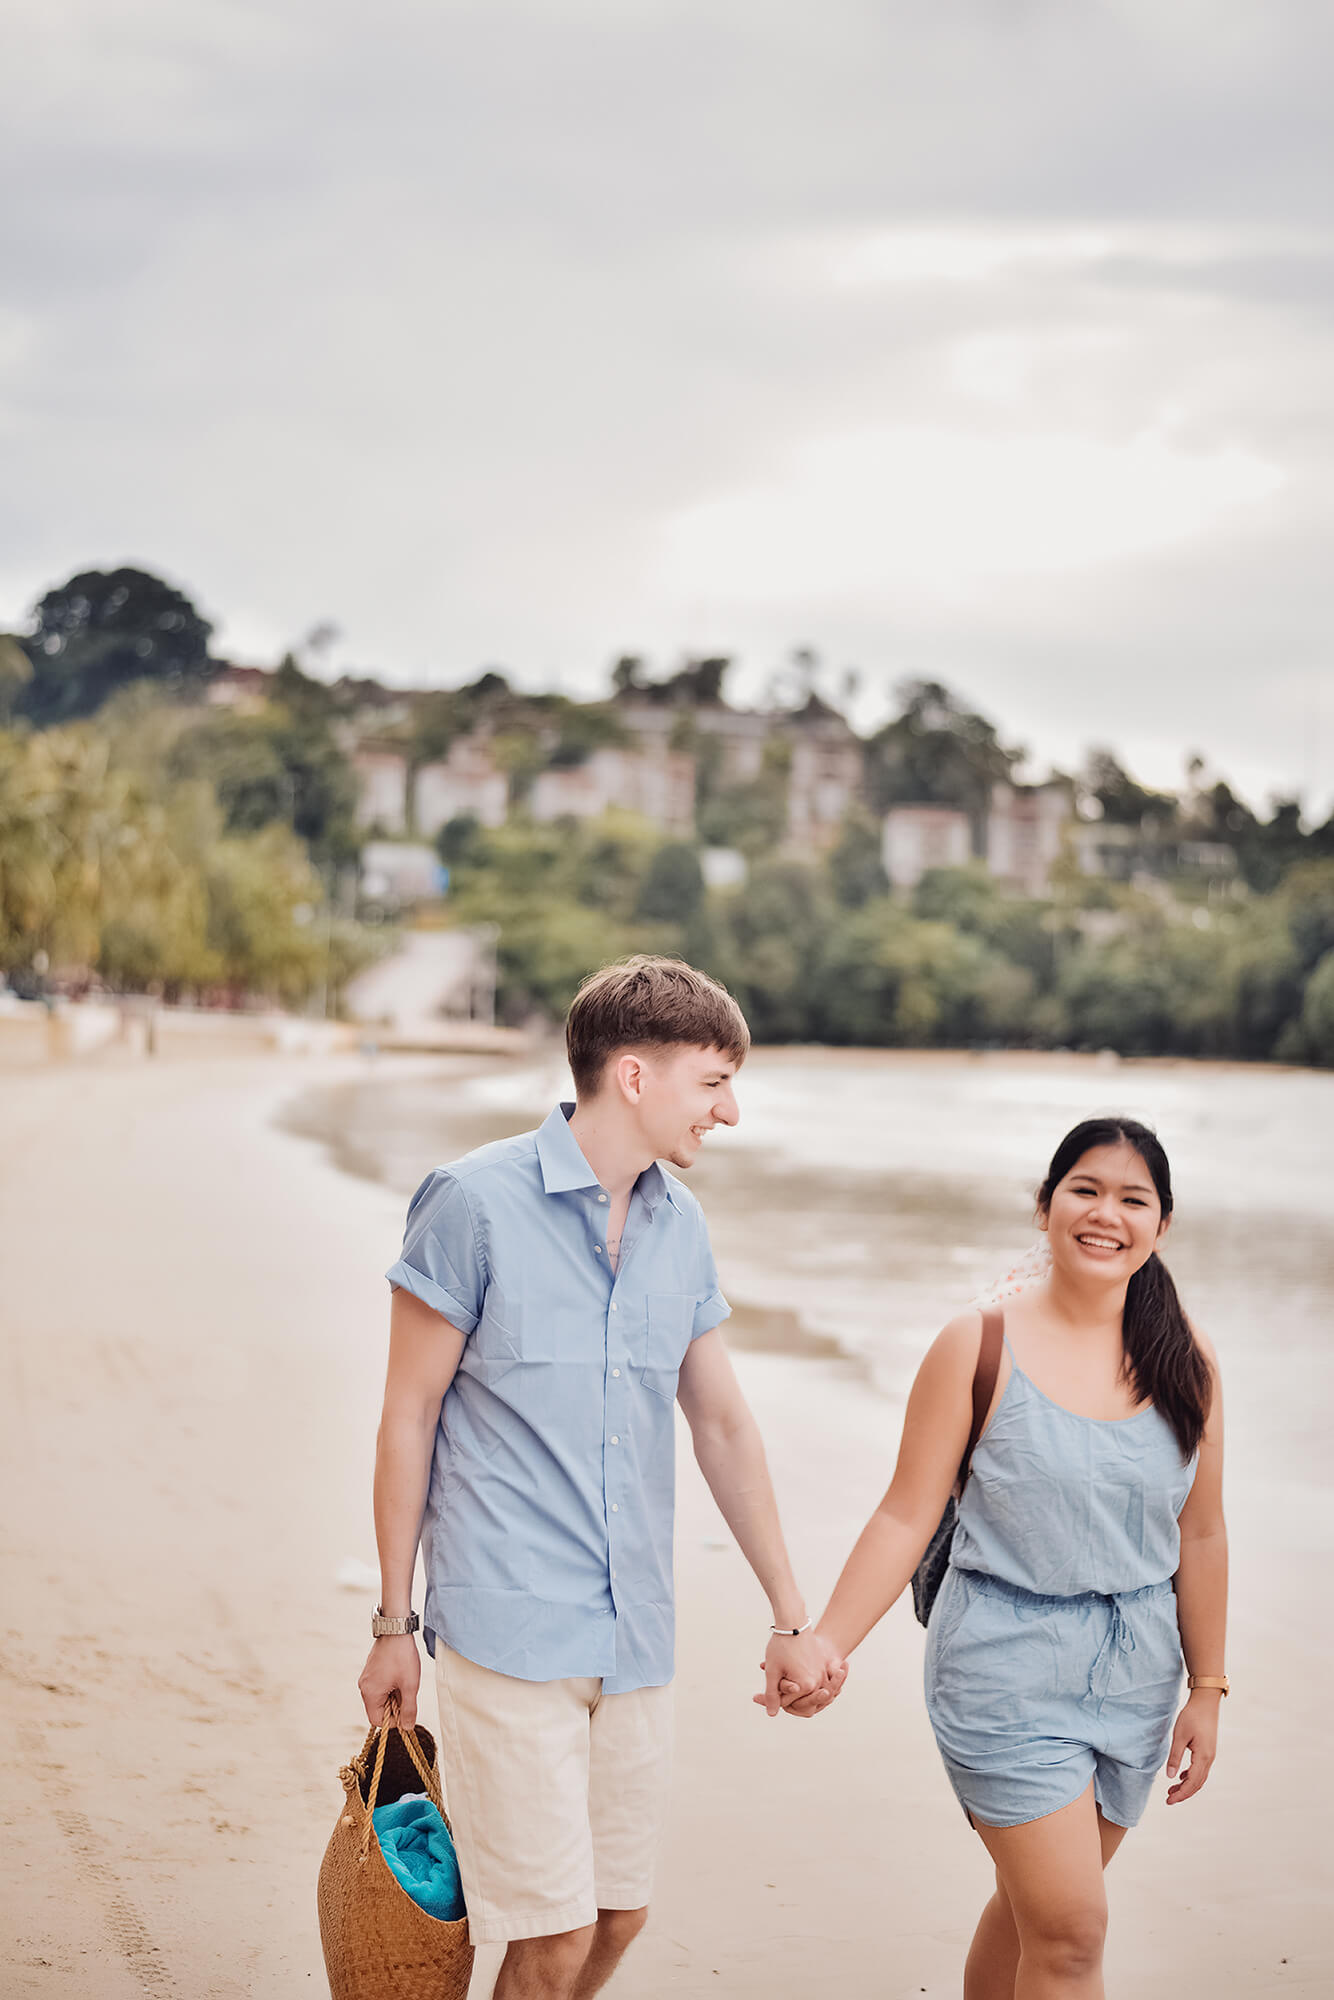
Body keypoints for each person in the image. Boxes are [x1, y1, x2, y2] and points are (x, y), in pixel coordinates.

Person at [358, 955, 845, 1999]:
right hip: (508, 1623)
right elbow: (408, 1416)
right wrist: (392, 1623)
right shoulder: (471, 1202)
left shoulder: (681, 1223)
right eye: (712, 1081)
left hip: (635, 1632)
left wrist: (789, 1611)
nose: (730, 1111)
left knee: (617, 1913)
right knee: (550, 1928)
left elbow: (717, 1418)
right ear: (633, 1075)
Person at [781, 1117, 1226, 2000]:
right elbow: (905, 1515)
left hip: (1138, 1671)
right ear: (1046, 1206)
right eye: (1085, 1190)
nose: (1107, 1215)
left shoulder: (1188, 1361)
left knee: (1037, 1916)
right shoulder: (978, 1346)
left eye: (1133, 1199)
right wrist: (826, 1640)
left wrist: (1208, 1690)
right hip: (1001, 1663)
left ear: (1162, 1226)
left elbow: (1202, 1534)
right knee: (1071, 1934)